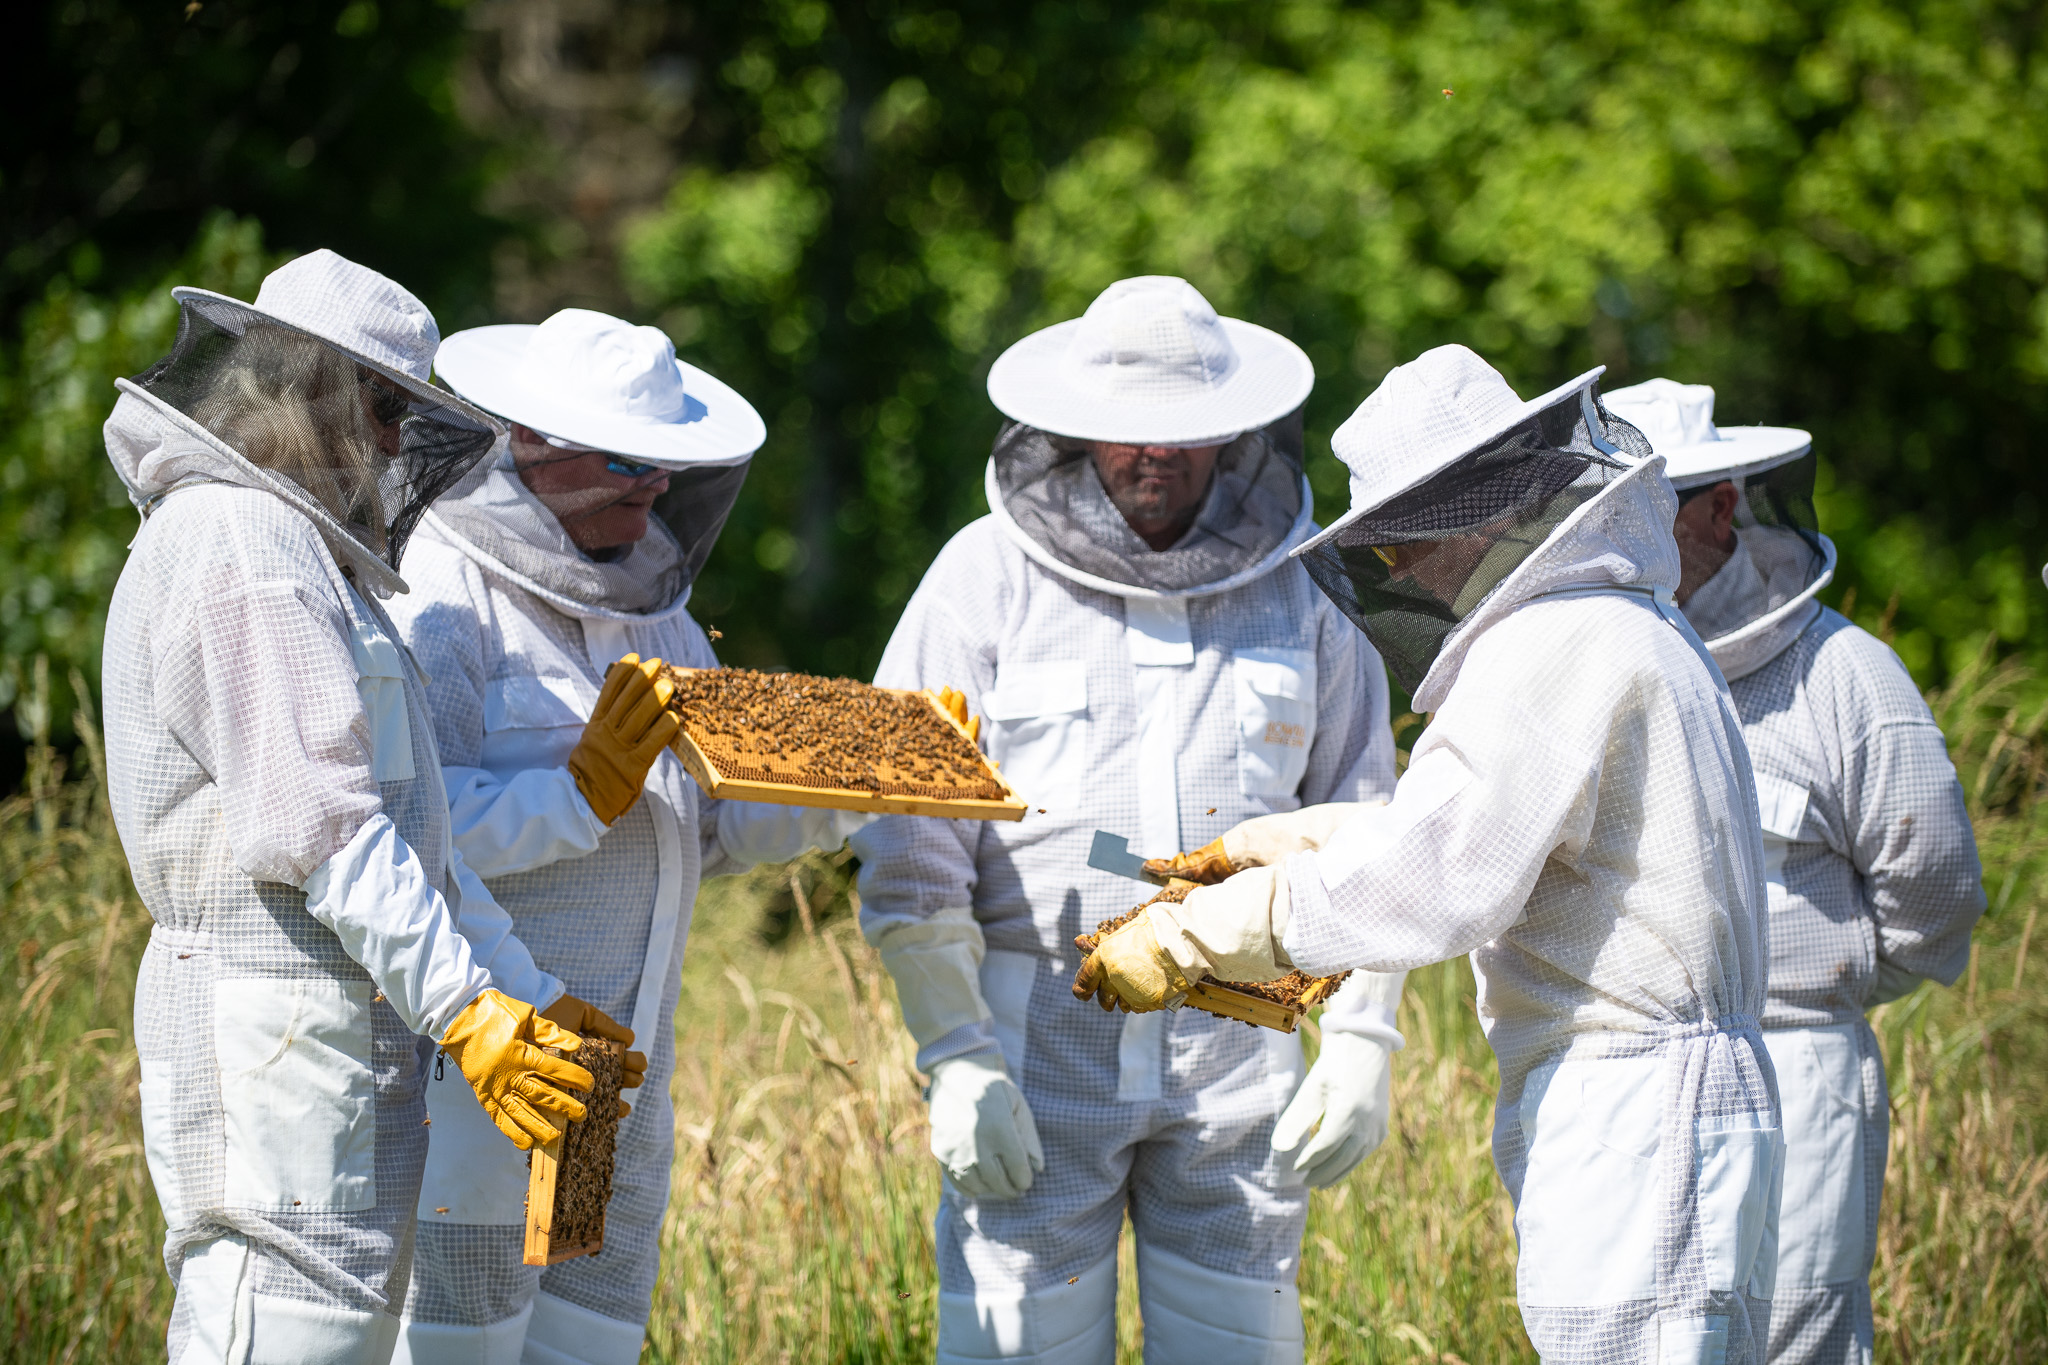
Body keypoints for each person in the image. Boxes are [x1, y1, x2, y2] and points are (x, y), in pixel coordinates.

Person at [1078, 344, 1789, 1364]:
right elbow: (1466, 832)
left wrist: (1204, 934)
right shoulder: (1618, 627)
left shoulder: (1551, 646)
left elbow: (1443, 880)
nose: (1397, 568)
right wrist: (1267, 845)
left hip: (1637, 1117)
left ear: (1472, 514)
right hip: (1678, 1109)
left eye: (1404, 536)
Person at [850, 276, 1406, 1365]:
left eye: (1185, 436)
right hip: (1031, 1051)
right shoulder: (980, 578)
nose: (1156, 457)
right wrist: (955, 1056)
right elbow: (906, 831)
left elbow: (1365, 824)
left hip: (1240, 1052)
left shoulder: (1301, 591)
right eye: (1128, 436)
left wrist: (1363, 1037)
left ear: (1233, 433)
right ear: (1074, 430)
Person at [102, 250, 613, 1364]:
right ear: (307, 387)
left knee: (333, 1333)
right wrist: (472, 1012)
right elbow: (324, 831)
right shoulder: (241, 544)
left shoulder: (307, 562)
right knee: (275, 1333)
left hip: (324, 1053)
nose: (393, 448)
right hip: (267, 1037)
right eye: (385, 411)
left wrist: (529, 999)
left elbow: (412, 841)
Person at [384, 308, 861, 1365]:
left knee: (585, 1348)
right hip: (492, 1073)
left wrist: (858, 788)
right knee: (461, 1348)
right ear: (531, 442)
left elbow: (715, 827)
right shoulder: (439, 594)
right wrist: (574, 796)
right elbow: (397, 830)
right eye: (625, 462)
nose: (651, 488)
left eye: (665, 465)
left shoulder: (660, 612)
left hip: (617, 1090)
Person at [1603, 378, 1983, 1365]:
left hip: (1796, 1075)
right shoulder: (1595, 667)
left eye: (1651, 514)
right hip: (1622, 1081)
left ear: (1723, 506)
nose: (1622, 542)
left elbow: (1933, 901)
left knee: (1790, 1342)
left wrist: (1817, 991)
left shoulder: (1844, 677)